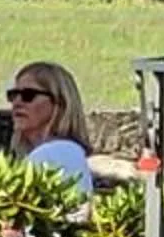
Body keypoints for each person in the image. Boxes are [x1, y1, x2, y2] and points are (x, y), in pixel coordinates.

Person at [6, 61, 96, 191]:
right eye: (13, 95)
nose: (17, 103)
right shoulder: (67, 151)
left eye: (28, 95)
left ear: (60, 103)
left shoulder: (56, 152)